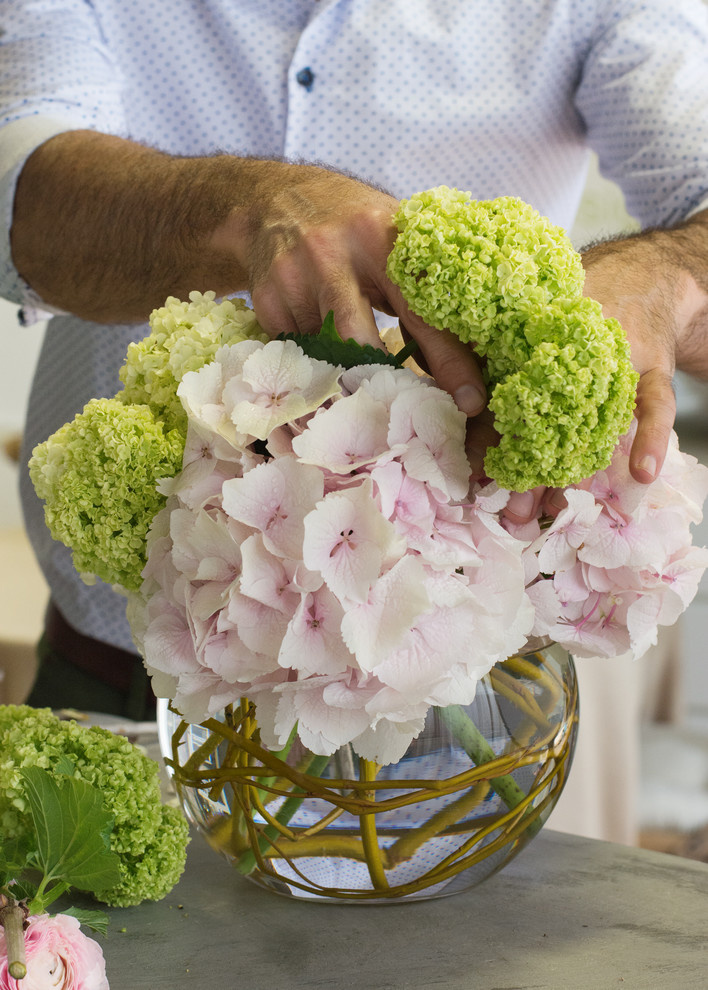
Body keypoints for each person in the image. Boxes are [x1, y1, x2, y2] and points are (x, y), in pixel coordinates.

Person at [1, 1, 707, 834]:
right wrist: (243, 209)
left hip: (486, 709)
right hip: (141, 675)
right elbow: (17, 180)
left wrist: (666, 273)